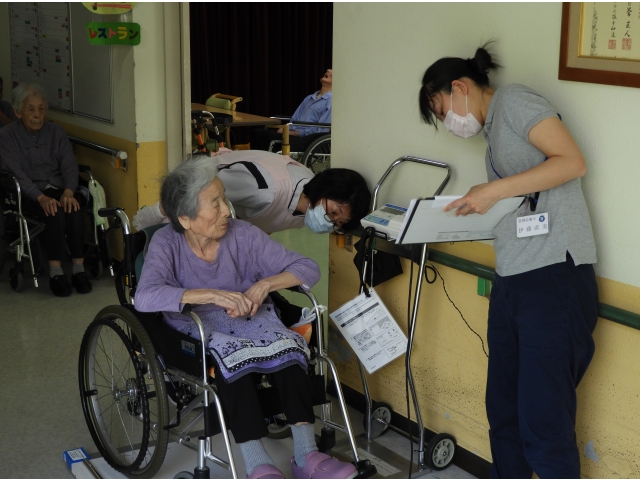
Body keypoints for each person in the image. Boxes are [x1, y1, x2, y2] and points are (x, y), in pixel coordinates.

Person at [419, 44, 598, 479]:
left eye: (443, 111)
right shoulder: (492, 134)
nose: (448, 123)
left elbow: (572, 162)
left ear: (460, 87)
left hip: (553, 274)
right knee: (503, 411)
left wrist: (492, 191)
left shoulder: (514, 101)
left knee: (544, 420)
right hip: (513, 278)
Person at [134, 156, 358, 480]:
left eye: (224, 198)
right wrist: (209, 295)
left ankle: (307, 455)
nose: (227, 210)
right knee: (233, 362)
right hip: (198, 326)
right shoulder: (166, 243)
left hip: (253, 318)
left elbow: (308, 267)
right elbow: (145, 296)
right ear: (185, 217)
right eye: (215, 203)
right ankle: (257, 464)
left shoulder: (243, 234)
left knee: (289, 348)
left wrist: (264, 285)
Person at [133, 149, 371, 235]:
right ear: (324, 189)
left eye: (338, 223)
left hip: (226, 225)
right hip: (190, 199)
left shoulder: (309, 206)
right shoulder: (263, 189)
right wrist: (154, 215)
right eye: (333, 212)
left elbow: (266, 224)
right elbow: (196, 192)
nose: (329, 223)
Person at [0, 83, 92, 297]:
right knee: (54, 212)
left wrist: (69, 190)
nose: (37, 114)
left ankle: (78, 268)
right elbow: (17, 174)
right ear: (18, 112)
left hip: (59, 187)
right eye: (31, 109)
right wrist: (40, 197)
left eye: (41, 108)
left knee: (73, 208)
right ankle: (56, 272)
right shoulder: (6, 136)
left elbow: (69, 164)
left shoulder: (56, 131)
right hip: (30, 193)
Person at [250, 69, 332, 152]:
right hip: (294, 133)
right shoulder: (309, 98)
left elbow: (322, 129)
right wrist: (286, 130)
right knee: (257, 133)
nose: (328, 70)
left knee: (267, 136)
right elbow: (294, 119)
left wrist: (296, 133)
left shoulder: (331, 101)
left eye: (332, 70)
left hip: (308, 138)